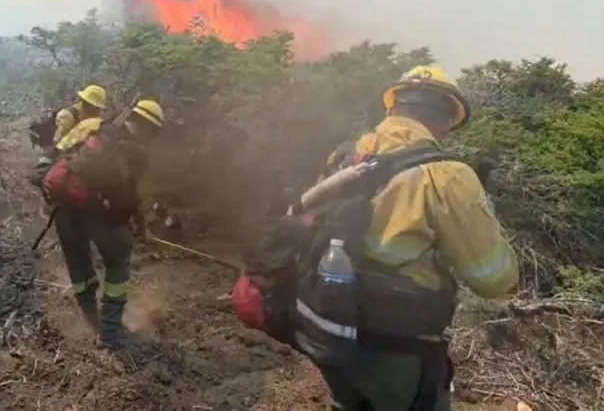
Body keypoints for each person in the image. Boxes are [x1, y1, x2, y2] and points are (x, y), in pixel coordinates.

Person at [232, 65, 519, 411]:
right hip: (398, 349)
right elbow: (494, 280)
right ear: (445, 121)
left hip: (331, 334)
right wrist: (482, 213)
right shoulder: (450, 176)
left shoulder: (346, 155)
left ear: (392, 108)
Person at [43, 99, 164, 349]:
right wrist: (143, 231)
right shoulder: (138, 153)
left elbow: (57, 153)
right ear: (149, 128)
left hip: (65, 210)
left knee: (79, 265)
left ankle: (91, 321)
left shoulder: (90, 125)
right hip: (101, 216)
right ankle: (109, 332)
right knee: (118, 263)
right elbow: (140, 200)